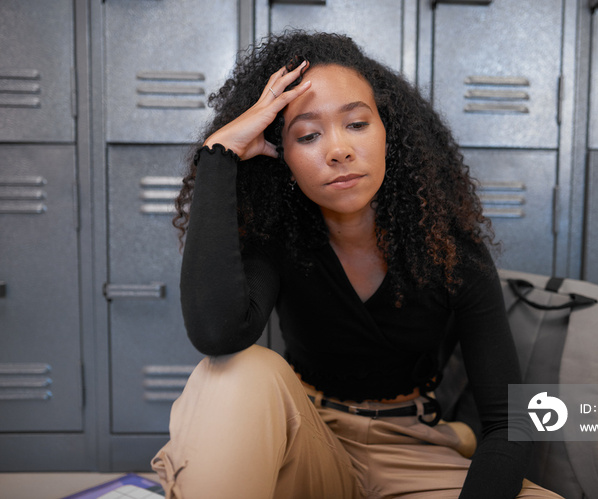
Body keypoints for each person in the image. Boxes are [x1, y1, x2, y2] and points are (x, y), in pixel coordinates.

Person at [151, 31, 562, 499]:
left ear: (390, 132)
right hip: (305, 439)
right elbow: (217, 333)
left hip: (412, 448)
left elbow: (509, 420)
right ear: (281, 155)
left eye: (357, 125)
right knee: (236, 370)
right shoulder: (279, 241)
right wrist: (218, 156)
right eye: (307, 135)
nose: (338, 150)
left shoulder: (452, 251)